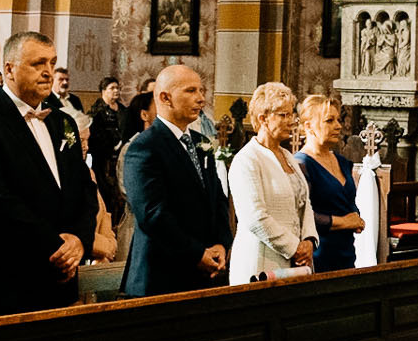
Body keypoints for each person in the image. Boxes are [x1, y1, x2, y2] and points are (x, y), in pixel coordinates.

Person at [0, 31, 97, 317]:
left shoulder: (62, 121)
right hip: (3, 275)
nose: (48, 72)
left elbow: (84, 188)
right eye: (37, 64)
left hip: (57, 275)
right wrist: (58, 246)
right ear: (9, 69)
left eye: (52, 64)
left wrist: (79, 240)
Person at [121, 64, 231, 297]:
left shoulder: (201, 143)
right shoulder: (144, 147)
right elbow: (152, 214)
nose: (201, 99)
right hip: (161, 276)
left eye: (202, 91)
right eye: (191, 91)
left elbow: (217, 198)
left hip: (203, 274)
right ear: (165, 97)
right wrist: (196, 253)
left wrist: (221, 243)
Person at [227, 82, 314, 284]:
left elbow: (304, 202)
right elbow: (255, 218)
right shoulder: (246, 159)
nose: (290, 121)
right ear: (263, 118)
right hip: (260, 261)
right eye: (283, 115)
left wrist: (309, 241)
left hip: (297, 263)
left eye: (291, 114)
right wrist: (294, 248)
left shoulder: (288, 155)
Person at [295, 96, 364, 273]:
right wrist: (344, 222)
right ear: (308, 126)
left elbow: (346, 199)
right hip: (318, 256)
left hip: (346, 253)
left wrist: (356, 216)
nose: (338, 126)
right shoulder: (301, 164)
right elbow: (303, 215)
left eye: (338, 120)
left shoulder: (342, 162)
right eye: (329, 120)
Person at [87, 77, 128, 225]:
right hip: (103, 159)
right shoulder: (97, 111)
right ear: (103, 91)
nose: (116, 91)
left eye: (117, 88)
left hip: (121, 156)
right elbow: (94, 138)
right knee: (106, 192)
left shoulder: (123, 110)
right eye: (112, 88)